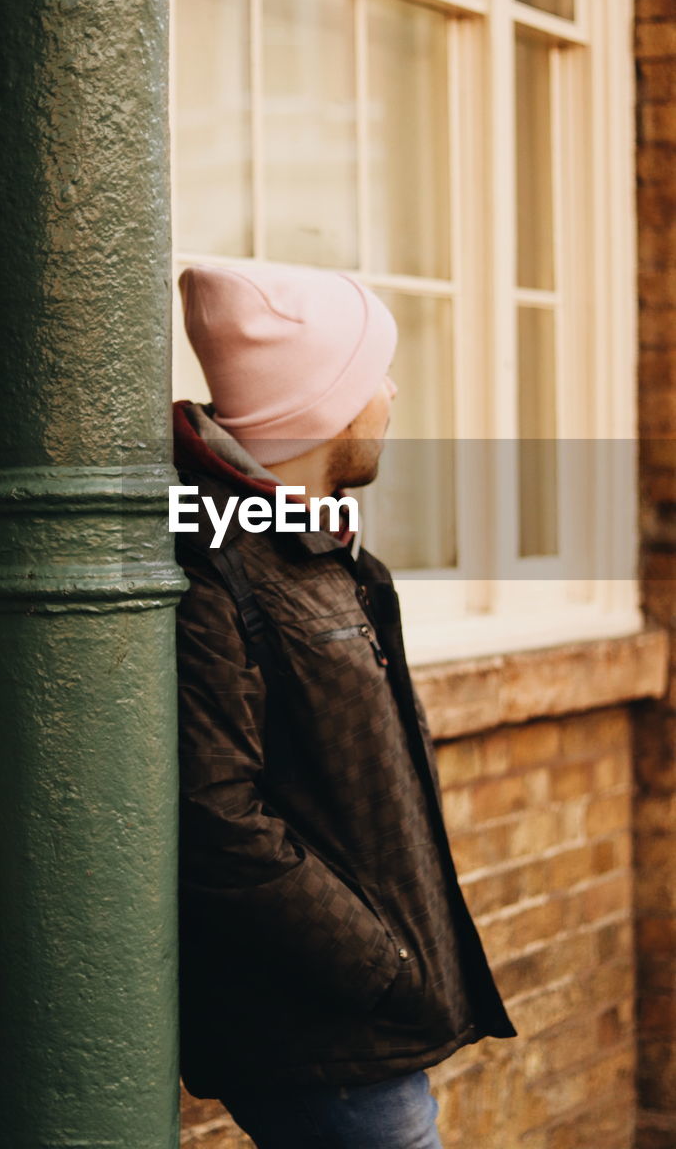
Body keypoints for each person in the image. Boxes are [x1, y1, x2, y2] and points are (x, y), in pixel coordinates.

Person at [172, 261, 516, 1149]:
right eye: (372, 377)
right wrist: (383, 964)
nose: (391, 393)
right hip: (325, 1040)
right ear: (321, 405)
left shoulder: (326, 558)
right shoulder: (219, 569)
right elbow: (216, 822)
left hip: (361, 1030)